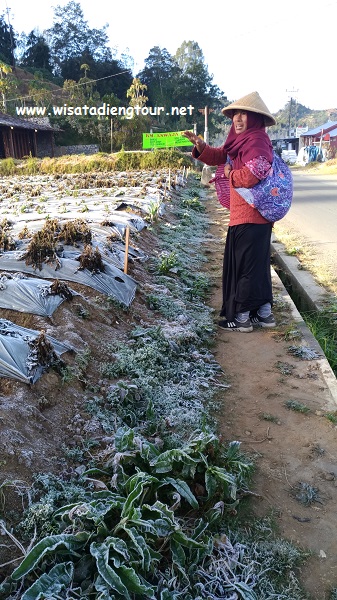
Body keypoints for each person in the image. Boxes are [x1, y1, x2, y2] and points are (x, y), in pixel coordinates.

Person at [184, 91, 276, 332]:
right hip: (247, 216)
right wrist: (201, 146)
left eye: (244, 114)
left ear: (255, 119)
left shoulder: (256, 141)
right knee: (256, 266)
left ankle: (243, 318)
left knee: (245, 267)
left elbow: (252, 175)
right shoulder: (240, 142)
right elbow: (220, 155)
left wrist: (229, 175)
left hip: (251, 216)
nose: (238, 118)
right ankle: (264, 315)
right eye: (235, 114)